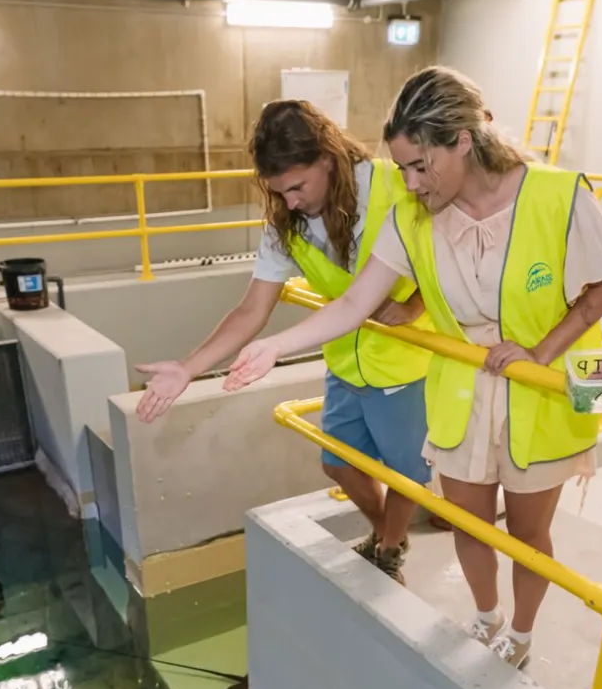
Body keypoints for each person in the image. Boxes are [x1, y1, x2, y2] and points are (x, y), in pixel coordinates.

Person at [224, 67, 602, 669]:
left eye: (420, 166)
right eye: (403, 167)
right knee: (468, 522)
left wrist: (542, 352)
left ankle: (520, 632)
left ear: (462, 141)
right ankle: (486, 615)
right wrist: (273, 348)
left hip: (537, 391)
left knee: (527, 534)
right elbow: (358, 303)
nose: (410, 183)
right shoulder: (412, 215)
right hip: (462, 385)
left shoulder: (558, 193)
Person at [133, 100, 432, 582]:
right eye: (279, 190)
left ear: (328, 159)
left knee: (405, 472)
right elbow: (252, 309)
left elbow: (443, 255)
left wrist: (416, 303)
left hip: (405, 361)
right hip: (346, 358)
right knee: (337, 462)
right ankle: (385, 534)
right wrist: (188, 368)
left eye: (297, 186)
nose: (289, 200)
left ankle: (390, 547)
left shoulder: (396, 185)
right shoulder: (286, 225)